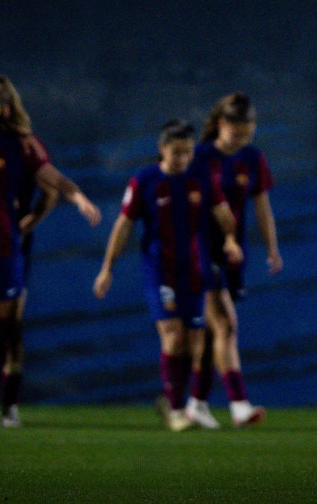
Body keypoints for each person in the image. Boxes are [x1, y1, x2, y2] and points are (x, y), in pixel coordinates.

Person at [0, 84, 100, 428]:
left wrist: (80, 199)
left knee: (1, 329)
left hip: (4, 247)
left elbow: (54, 180)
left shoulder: (17, 148)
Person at [94, 119, 242, 432]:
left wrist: (229, 239)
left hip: (196, 269)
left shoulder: (201, 176)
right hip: (160, 270)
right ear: (162, 149)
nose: (182, 159)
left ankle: (174, 400)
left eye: (187, 152)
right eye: (176, 153)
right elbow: (123, 226)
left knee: (194, 343)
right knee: (174, 335)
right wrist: (108, 267)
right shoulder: (144, 180)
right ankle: (176, 409)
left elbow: (224, 215)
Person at [186, 92, 281, 428]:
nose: (242, 139)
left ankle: (195, 402)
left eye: (248, 133)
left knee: (215, 334)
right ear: (222, 125)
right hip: (199, 248)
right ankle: (239, 404)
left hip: (233, 251)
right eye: (237, 132)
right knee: (225, 324)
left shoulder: (252, 158)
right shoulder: (198, 156)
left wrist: (272, 247)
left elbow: (261, 205)